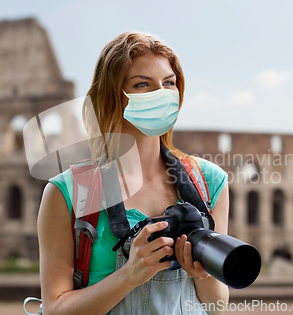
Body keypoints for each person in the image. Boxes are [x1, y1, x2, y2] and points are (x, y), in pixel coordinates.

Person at [37, 32, 230, 315]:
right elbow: (55, 308)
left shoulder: (209, 182)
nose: (160, 94)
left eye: (169, 83)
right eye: (142, 84)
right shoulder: (69, 192)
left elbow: (217, 305)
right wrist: (129, 275)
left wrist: (203, 273)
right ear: (111, 95)